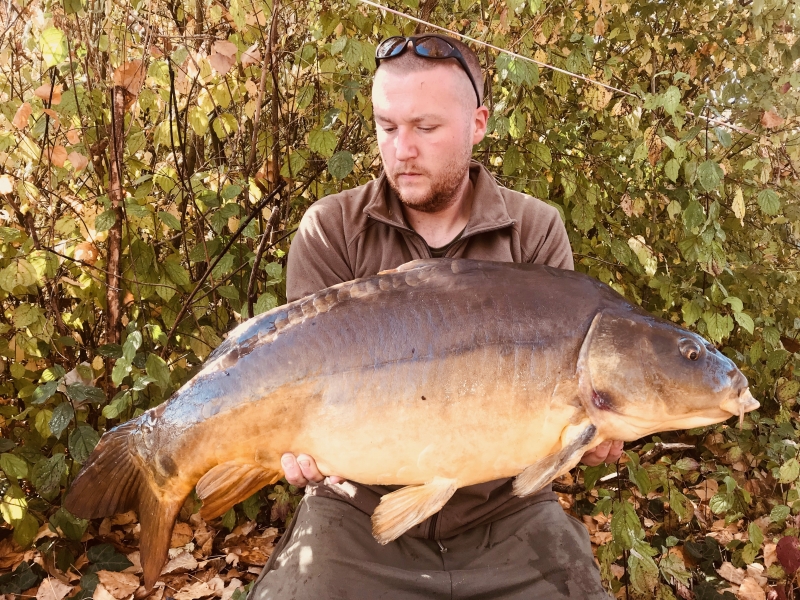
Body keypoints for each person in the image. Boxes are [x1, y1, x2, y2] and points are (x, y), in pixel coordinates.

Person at [249, 34, 622, 599]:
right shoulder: (330, 229)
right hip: (355, 509)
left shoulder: (535, 231)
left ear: (478, 123)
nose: (402, 150)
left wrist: (587, 438)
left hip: (507, 514)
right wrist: (294, 449)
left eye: (425, 128)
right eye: (387, 127)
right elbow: (298, 381)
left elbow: (565, 410)